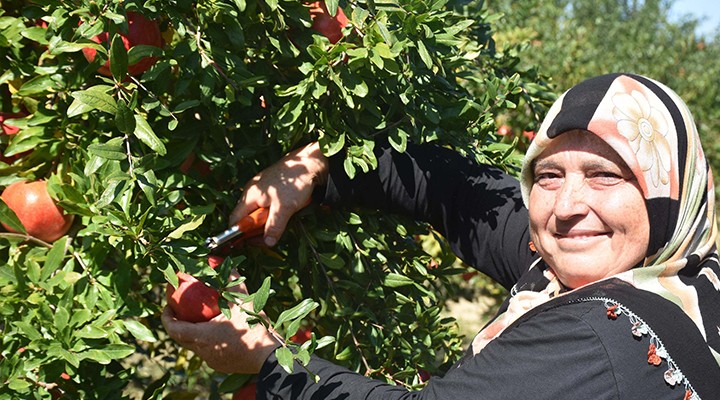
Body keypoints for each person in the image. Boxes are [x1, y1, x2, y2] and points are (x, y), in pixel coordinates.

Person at [162, 73, 720, 399]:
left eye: (607, 175)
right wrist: (320, 168)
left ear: (668, 193)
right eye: (548, 174)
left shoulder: (600, 339)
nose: (569, 206)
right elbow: (455, 191)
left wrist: (266, 361)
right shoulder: (678, 277)